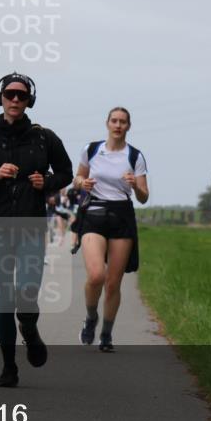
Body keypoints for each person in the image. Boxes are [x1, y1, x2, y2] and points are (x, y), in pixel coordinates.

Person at [0, 73, 72, 387]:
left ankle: (30, 328)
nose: (14, 100)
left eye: (21, 96)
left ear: (29, 101)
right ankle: (9, 367)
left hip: (31, 227)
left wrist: (46, 182)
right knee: (5, 298)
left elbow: (65, 172)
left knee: (26, 292)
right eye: (9, 94)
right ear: (0, 98)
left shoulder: (44, 138)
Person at [72, 107, 149, 352]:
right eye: (114, 121)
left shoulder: (135, 156)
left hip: (121, 216)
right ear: (107, 123)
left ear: (128, 126)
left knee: (113, 283)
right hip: (94, 213)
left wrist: (135, 185)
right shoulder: (92, 150)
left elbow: (144, 196)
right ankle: (91, 316)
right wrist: (82, 183)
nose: (117, 125)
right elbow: (77, 178)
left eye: (122, 122)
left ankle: (106, 333)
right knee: (96, 276)